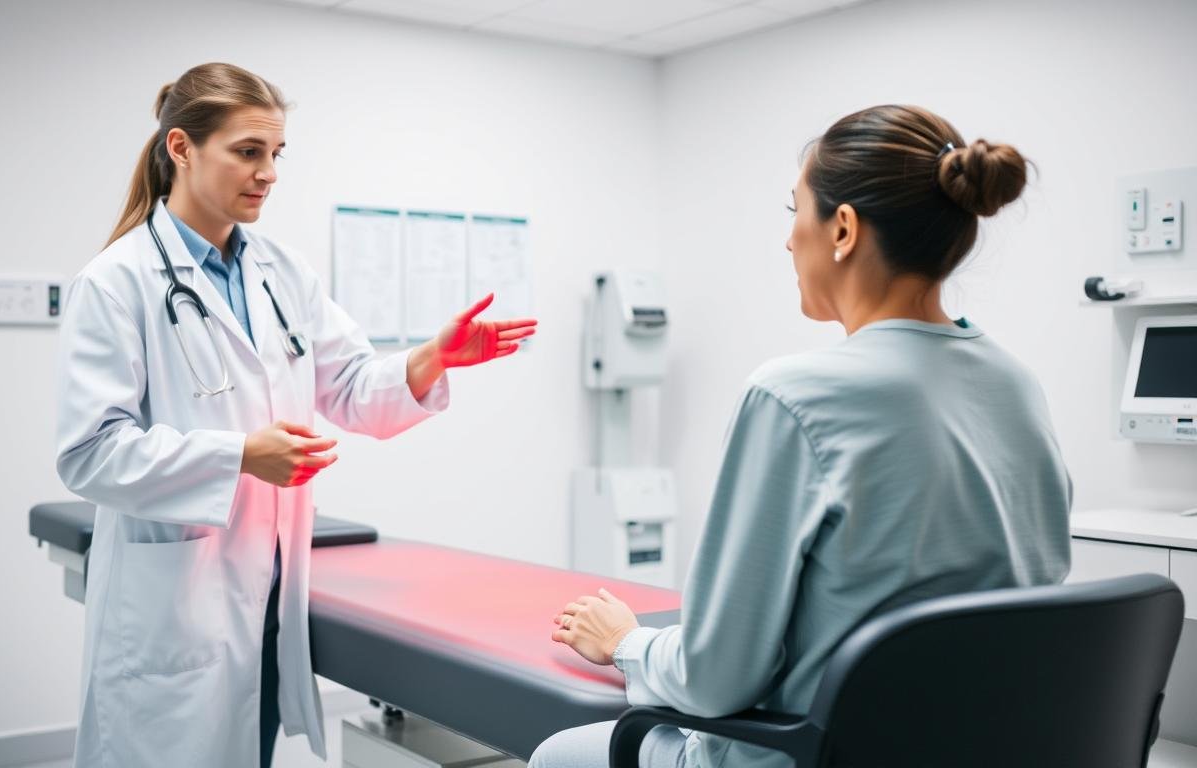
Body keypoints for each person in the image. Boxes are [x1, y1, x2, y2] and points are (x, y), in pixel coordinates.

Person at [533, 104, 1071, 768]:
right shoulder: (1017, 387)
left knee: (562, 754)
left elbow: (717, 677)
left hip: (813, 757)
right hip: (984, 750)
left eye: (796, 211)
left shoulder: (793, 397)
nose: (790, 240)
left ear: (842, 228)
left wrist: (625, 642)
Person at [55, 62, 537, 768]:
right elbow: (89, 453)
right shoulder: (116, 282)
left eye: (276, 154)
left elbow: (348, 386)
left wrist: (432, 358)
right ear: (182, 149)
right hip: (176, 607)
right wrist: (239, 456)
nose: (268, 173)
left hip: (271, 590)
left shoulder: (282, 272)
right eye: (247, 151)